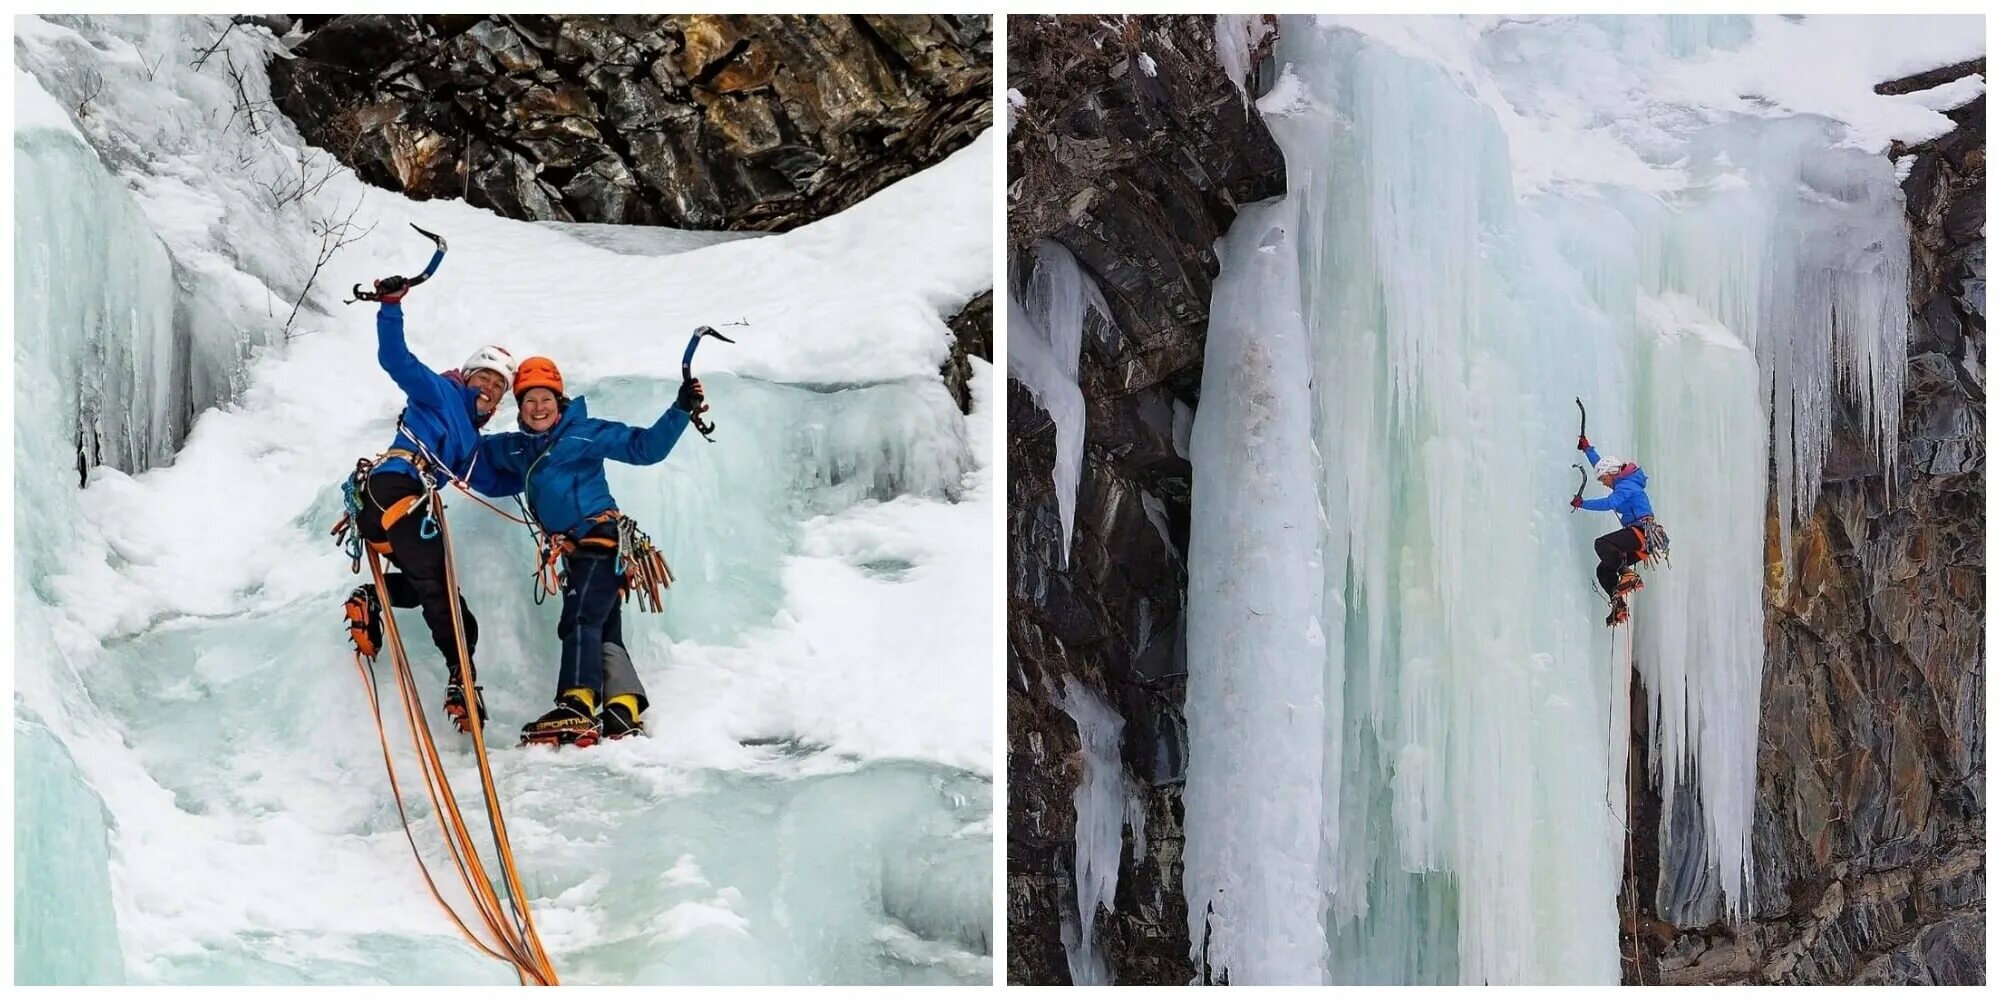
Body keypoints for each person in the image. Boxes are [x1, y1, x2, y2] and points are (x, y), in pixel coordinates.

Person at [478, 356, 705, 746]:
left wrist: (681, 409)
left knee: (581, 614)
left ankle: (578, 703)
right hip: (575, 549)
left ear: (559, 399)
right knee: (602, 625)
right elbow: (473, 457)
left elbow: (644, 447)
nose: (538, 408)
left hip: (600, 538)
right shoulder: (518, 449)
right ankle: (623, 707)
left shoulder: (583, 433)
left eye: (545, 399)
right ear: (519, 407)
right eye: (529, 401)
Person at [342, 276, 522, 730]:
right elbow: (395, 359)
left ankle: (371, 599)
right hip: (396, 490)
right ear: (467, 376)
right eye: (486, 378)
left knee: (438, 594)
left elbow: (494, 484)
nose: (491, 389)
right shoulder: (439, 392)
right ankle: (462, 679)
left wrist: (541, 469)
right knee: (442, 593)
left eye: (500, 387)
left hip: (383, 509)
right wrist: (390, 306)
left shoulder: (471, 443)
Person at [1570, 433, 1655, 626]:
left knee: (1601, 544)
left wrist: (1583, 504)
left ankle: (1627, 574)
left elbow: (1610, 503)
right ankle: (1618, 603)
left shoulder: (1627, 486)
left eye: (1603, 480)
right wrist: (1587, 449)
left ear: (1611, 473)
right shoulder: (1620, 479)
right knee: (1603, 570)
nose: (1603, 483)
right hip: (1640, 543)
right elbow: (1600, 465)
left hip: (1641, 534)